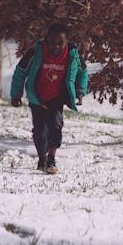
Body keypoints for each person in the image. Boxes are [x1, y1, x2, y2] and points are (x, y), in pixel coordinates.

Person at [10, 23, 88, 174]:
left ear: (67, 42)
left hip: (57, 98)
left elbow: (83, 73)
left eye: (60, 43)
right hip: (37, 97)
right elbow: (20, 73)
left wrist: (79, 91)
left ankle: (51, 158)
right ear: (45, 39)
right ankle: (41, 158)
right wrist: (16, 95)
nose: (55, 46)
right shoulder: (34, 53)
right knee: (39, 131)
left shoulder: (73, 55)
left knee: (55, 126)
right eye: (52, 42)